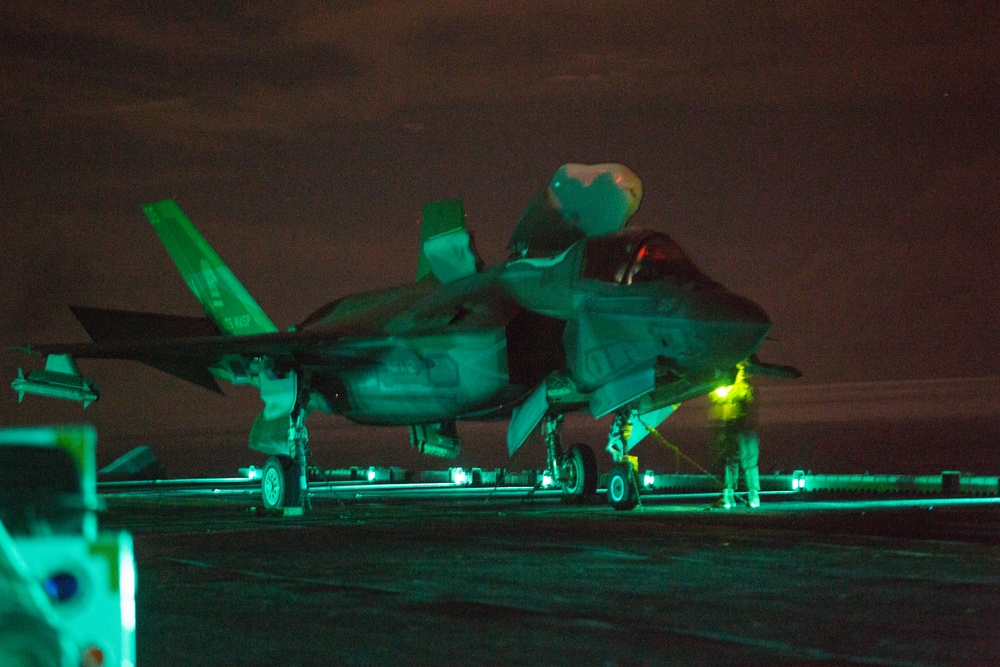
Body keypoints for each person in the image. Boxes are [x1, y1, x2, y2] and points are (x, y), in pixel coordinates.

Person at [709, 364, 760, 509]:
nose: (743, 372)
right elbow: (716, 398)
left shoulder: (746, 389)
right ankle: (728, 496)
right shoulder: (730, 388)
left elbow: (747, 404)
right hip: (731, 428)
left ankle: (752, 495)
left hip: (744, 429)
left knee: (748, 462)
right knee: (728, 461)